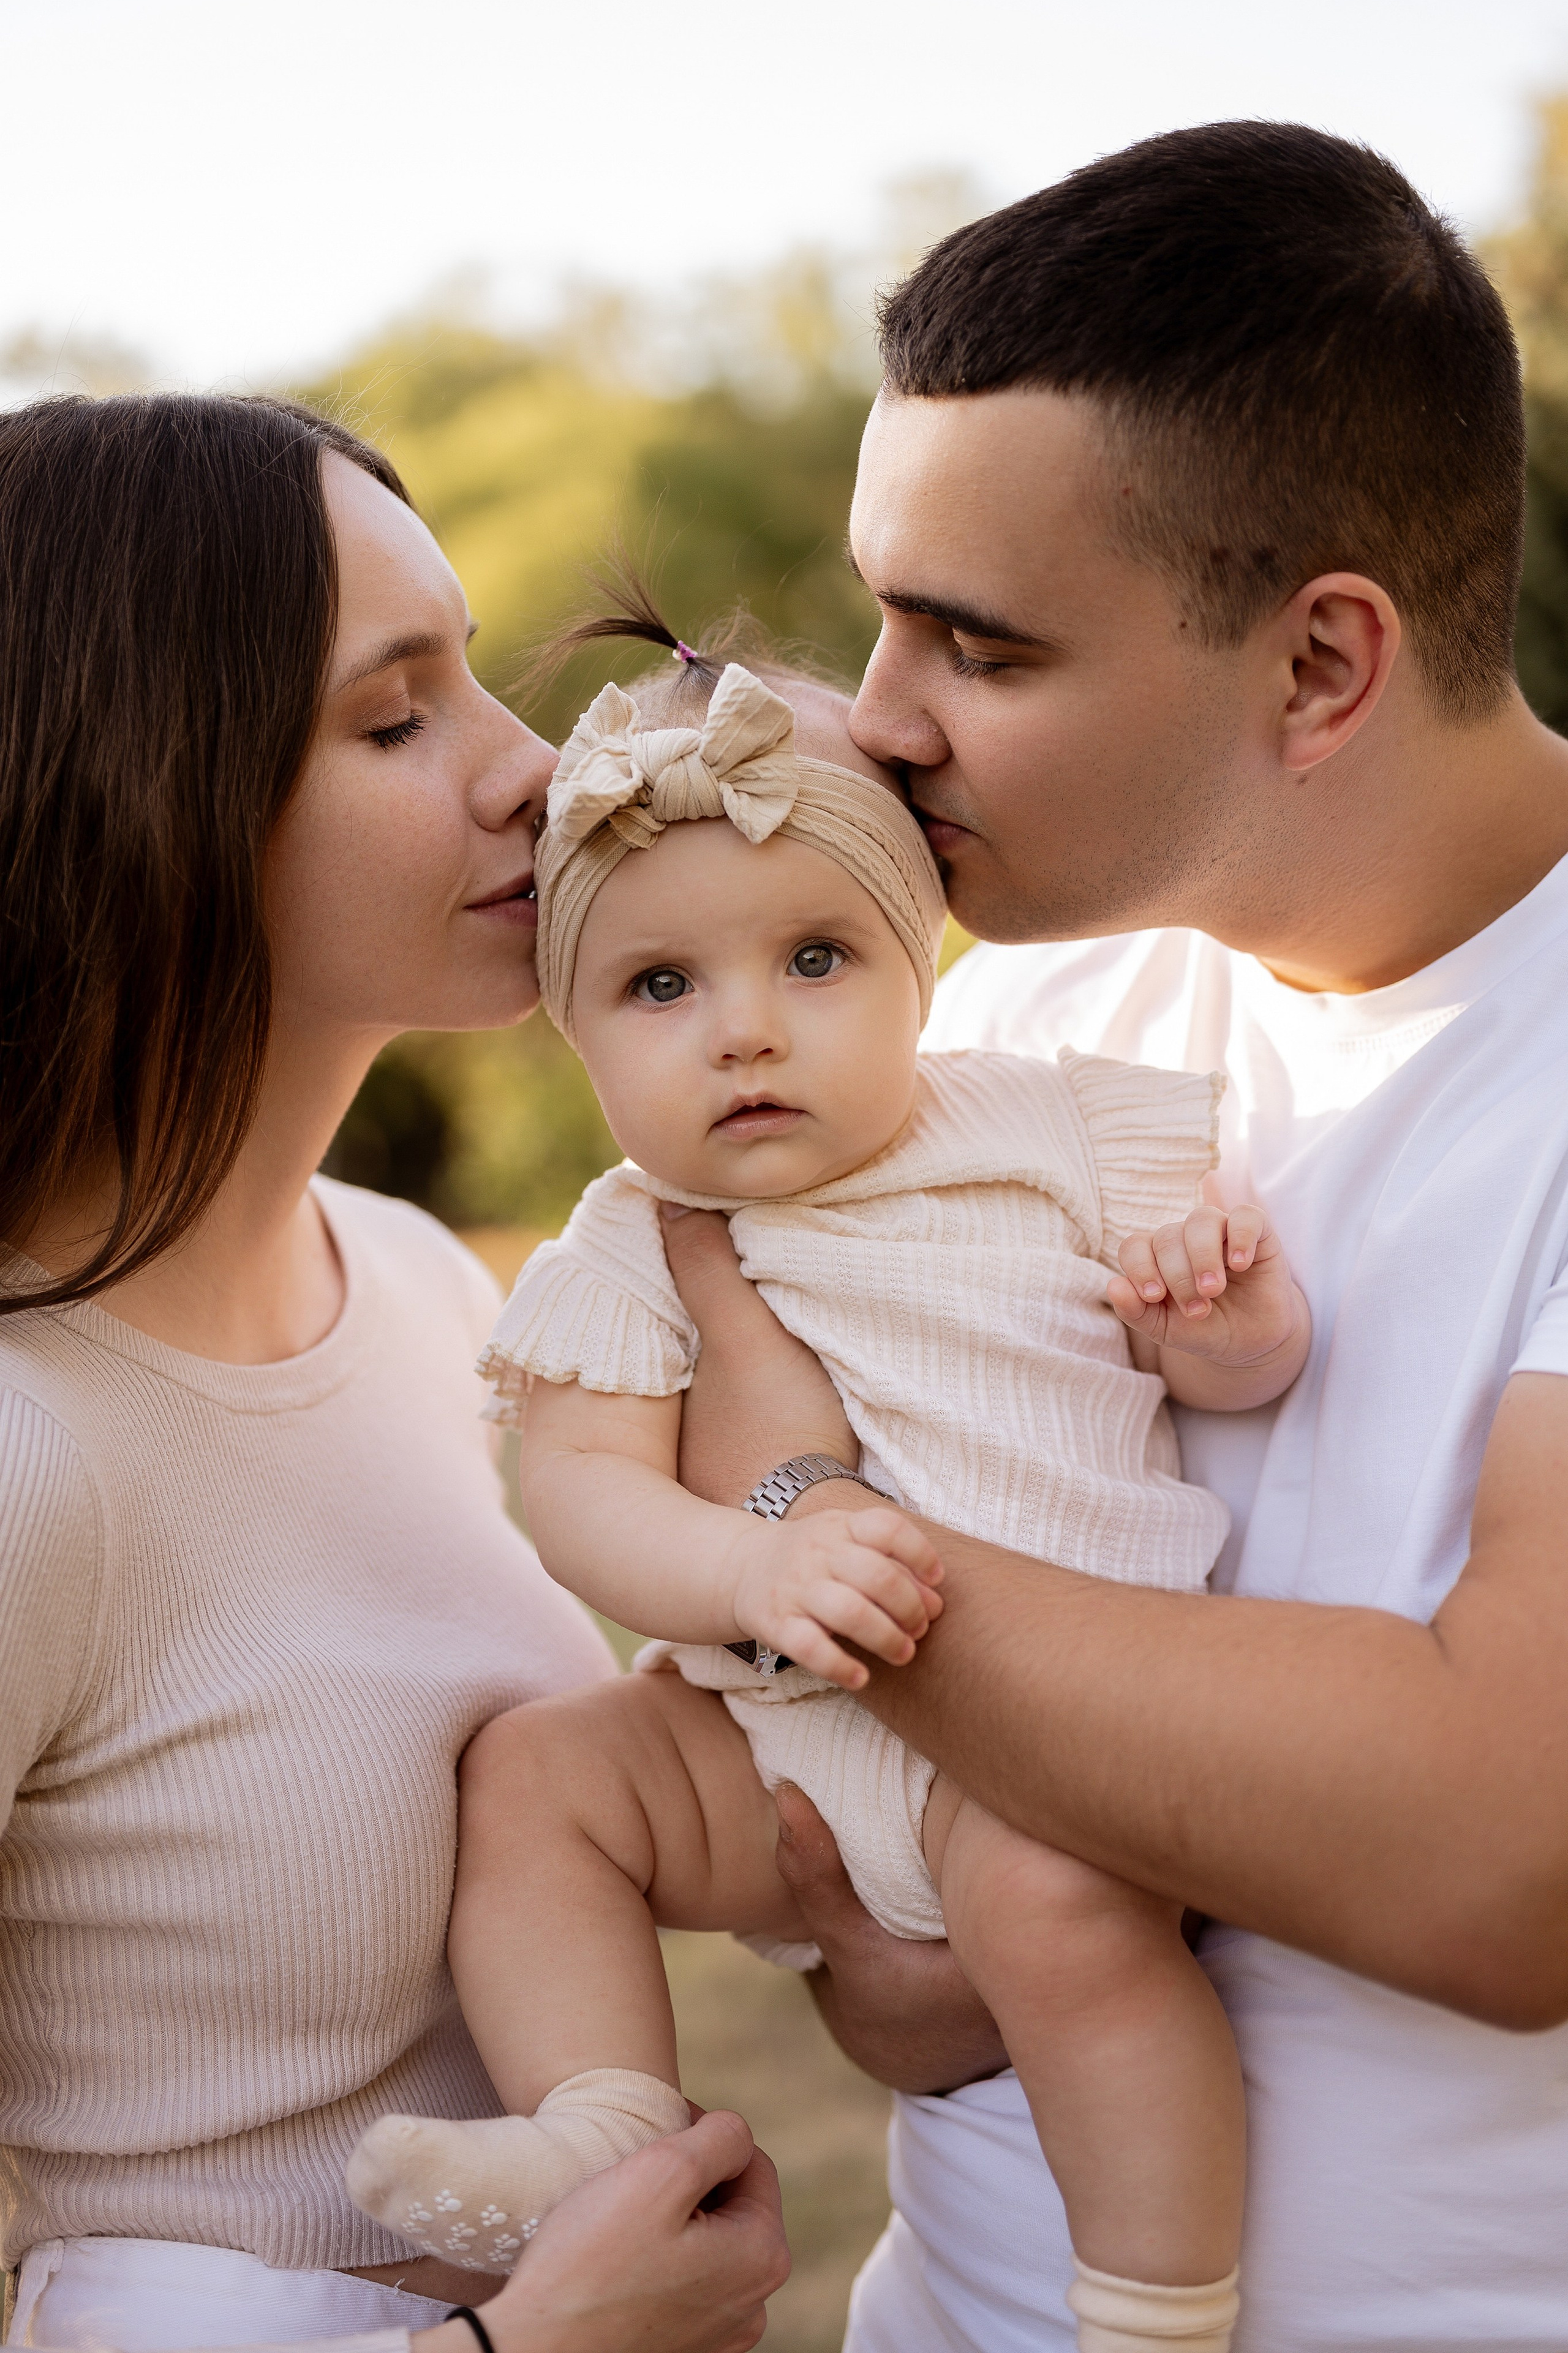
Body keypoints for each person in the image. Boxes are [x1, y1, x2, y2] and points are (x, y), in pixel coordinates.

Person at [646, 121, 1568, 2352]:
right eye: (878, 611)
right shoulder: (1023, 1016)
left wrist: (807, 1541)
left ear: (1324, 666)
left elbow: (1498, 1850)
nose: (877, 718)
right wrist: (868, 1933)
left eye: (975, 643)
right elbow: (889, 1977)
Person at [345, 623, 1311, 2352]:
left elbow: (1235, 1374)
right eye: (662, 989)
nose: (746, 1036)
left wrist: (1225, 1315)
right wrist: (743, 1569)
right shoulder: (632, 1242)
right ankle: (606, 2125)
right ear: (570, 1029)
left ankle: (1158, 2304)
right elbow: (575, 1491)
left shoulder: (1056, 1130)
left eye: (813, 959)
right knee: (543, 1773)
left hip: (1046, 1741)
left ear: (921, 961)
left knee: (1069, 1928)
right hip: (776, 1731)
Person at [0, 393, 788, 2353]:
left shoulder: (438, 1291)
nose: (536, 773)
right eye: (395, 716)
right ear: (144, 791)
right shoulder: (28, 1451)